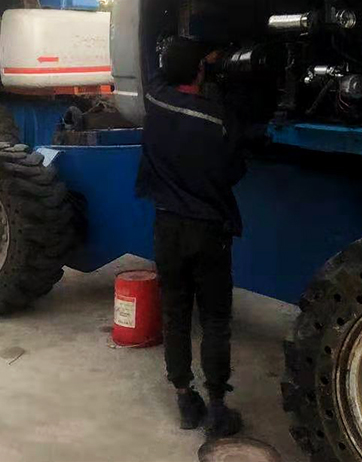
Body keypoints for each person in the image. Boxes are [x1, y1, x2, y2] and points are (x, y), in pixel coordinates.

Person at [136, 36, 246, 438]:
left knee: (175, 314)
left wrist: (194, 61)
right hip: (208, 230)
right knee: (214, 319)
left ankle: (185, 399)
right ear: (200, 71)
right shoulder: (218, 119)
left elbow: (157, 75)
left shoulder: (155, 101)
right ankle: (217, 408)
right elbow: (235, 170)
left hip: (167, 227)